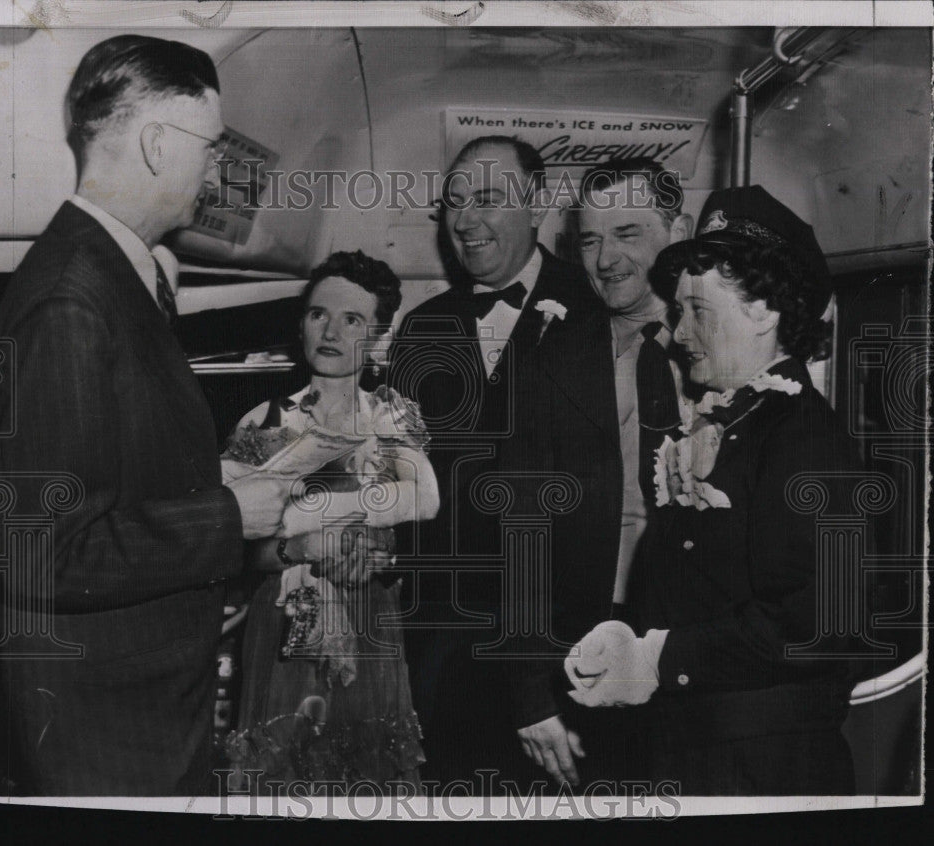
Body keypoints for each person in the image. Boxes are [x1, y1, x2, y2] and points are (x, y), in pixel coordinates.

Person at [0, 35, 286, 796]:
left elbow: (110, 477)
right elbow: (49, 551)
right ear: (158, 143)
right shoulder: (71, 297)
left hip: (138, 706)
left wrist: (212, 479)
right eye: (211, 146)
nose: (218, 169)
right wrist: (228, 516)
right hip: (109, 729)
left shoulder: (114, 274)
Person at [564, 185, 861, 795]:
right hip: (701, 749)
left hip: (764, 767)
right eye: (677, 312)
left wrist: (658, 660)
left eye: (699, 310)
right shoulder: (740, 423)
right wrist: (631, 641)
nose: (678, 332)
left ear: (765, 311)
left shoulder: (801, 435)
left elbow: (814, 624)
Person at [389, 136, 591, 786]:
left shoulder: (598, 312)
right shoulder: (423, 329)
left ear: (537, 207)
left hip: (563, 653)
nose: (465, 221)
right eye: (453, 203)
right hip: (444, 648)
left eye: (487, 199)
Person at [499, 159, 691, 789]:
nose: (604, 259)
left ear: (677, 230)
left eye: (627, 234)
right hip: (575, 649)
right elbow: (519, 530)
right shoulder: (550, 358)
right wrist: (529, 691)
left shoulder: (722, 351)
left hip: (693, 653)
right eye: (588, 238)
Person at [223, 250, 439, 791]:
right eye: (319, 314)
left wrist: (314, 513)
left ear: (379, 338)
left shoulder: (391, 416)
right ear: (302, 323)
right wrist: (304, 546)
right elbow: (235, 539)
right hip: (283, 623)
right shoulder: (265, 423)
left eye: (353, 320)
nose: (332, 331)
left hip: (373, 619)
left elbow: (427, 502)